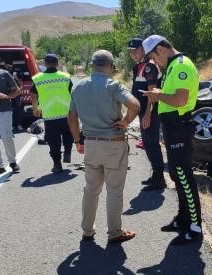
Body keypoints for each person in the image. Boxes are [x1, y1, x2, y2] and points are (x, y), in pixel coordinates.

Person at [67, 50, 140, 244]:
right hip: (113, 144)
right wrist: (126, 121)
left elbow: (71, 117)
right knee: (114, 190)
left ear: (92, 65)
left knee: (91, 189)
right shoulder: (113, 85)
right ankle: (114, 233)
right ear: (110, 66)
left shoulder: (78, 87)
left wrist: (77, 141)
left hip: (90, 143)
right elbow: (135, 105)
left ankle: (87, 231)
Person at [142, 35, 203, 245]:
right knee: (177, 175)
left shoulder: (181, 65)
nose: (153, 61)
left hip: (179, 126)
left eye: (152, 56)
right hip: (171, 126)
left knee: (184, 176)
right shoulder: (171, 67)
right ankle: (183, 219)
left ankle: (195, 227)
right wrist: (159, 94)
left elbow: (180, 99)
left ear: (160, 49)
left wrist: (158, 96)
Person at [127, 38, 166, 190]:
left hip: (150, 112)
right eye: (130, 51)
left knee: (152, 144)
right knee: (148, 144)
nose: (132, 54)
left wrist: (148, 115)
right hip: (143, 112)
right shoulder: (140, 66)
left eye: (135, 50)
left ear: (143, 49)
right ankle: (156, 175)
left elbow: (152, 93)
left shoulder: (149, 66)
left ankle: (159, 179)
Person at [32, 53, 74, 173]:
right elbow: (72, 92)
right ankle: (67, 151)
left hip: (49, 115)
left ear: (45, 64)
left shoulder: (38, 78)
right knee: (68, 135)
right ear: (57, 64)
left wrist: (35, 108)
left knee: (53, 141)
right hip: (66, 112)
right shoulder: (65, 76)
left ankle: (57, 164)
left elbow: (33, 95)